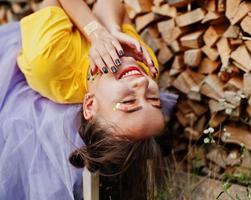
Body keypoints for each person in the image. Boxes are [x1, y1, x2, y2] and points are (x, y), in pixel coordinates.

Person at [0, 0, 178, 199]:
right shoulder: (142, 64)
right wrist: (111, 33)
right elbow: (108, 3)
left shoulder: (50, 58)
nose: (143, 85)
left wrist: (96, 34)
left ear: (90, 105)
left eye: (128, 103)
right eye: (154, 100)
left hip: (32, 52)